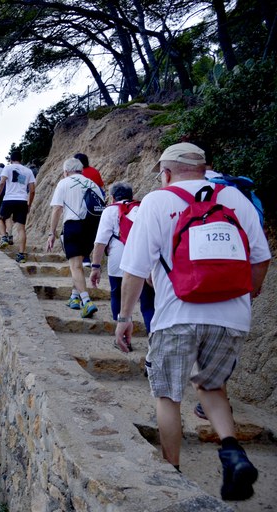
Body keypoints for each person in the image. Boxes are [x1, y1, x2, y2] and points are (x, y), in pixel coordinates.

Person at [115, 142, 270, 500]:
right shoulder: (235, 200)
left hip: (176, 315)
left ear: (165, 173)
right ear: (204, 168)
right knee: (211, 387)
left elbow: (135, 270)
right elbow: (261, 259)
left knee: (168, 396)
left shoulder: (156, 201)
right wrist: (249, 293)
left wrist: (124, 318)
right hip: (231, 316)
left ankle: (174, 473)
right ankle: (232, 452)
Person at [89, 181, 154, 335]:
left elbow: (100, 242)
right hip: (143, 260)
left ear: (112, 198)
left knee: (117, 295)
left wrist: (96, 267)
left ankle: (122, 334)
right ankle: (153, 337)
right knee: (148, 302)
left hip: (118, 261)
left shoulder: (110, 211)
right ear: (132, 196)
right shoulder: (143, 208)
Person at [45, 157, 103, 318]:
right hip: (92, 228)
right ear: (81, 170)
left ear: (66, 172)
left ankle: (87, 301)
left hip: (74, 225)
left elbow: (57, 209)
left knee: (75, 266)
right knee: (77, 264)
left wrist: (52, 233)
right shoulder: (93, 184)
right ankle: (74, 297)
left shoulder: (64, 183)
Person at [0, 150, 36, 263]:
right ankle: (21, 255)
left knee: (1, 218)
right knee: (21, 228)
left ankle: (4, 237)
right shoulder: (28, 171)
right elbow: (32, 191)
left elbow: (2, 183)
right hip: (22, 201)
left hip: (9, 199)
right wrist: (29, 204)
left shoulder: (7, 168)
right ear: (21, 159)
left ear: (11, 160)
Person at [73, 153, 104, 267]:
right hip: (94, 208)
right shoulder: (94, 171)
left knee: (81, 232)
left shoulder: (79, 174)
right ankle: (87, 257)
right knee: (91, 233)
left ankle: (83, 257)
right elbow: (101, 188)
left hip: (81, 207)